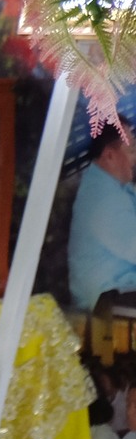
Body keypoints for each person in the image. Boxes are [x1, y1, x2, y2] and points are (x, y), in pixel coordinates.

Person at [68, 125, 136, 311]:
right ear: (110, 155)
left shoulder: (117, 188)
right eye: (131, 150)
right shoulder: (101, 198)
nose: (134, 158)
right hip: (108, 302)